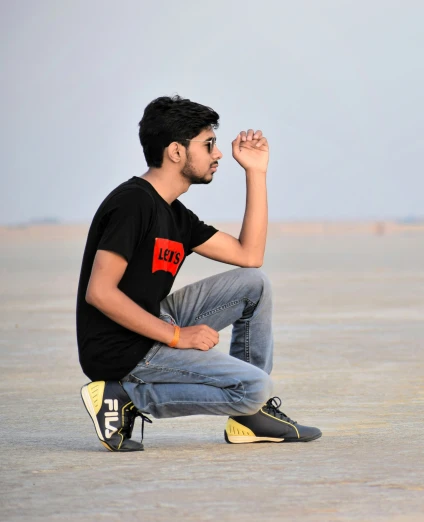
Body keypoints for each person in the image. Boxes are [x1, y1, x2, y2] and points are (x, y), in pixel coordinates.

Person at [76, 95, 321, 452]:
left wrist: (255, 172)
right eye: (208, 145)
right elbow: (100, 292)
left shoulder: (175, 214)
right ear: (176, 152)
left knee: (253, 285)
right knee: (253, 388)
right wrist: (177, 336)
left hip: (150, 322)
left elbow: (249, 255)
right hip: (121, 349)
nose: (218, 154)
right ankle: (125, 395)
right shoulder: (133, 203)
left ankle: (250, 419)